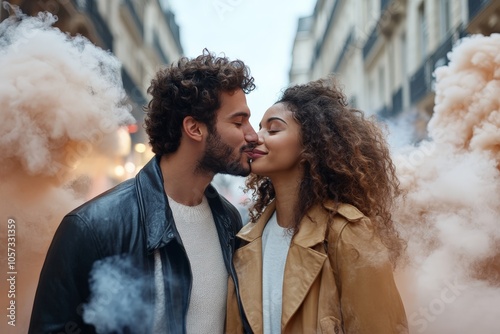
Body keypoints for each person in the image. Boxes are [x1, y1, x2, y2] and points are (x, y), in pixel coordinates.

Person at [29, 50, 258, 333]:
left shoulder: (230, 220)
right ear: (194, 128)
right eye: (238, 122)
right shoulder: (92, 227)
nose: (253, 135)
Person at [226, 77, 408, 333]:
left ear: (311, 145)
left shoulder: (347, 232)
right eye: (259, 128)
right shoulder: (246, 240)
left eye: (273, 129)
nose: (256, 138)